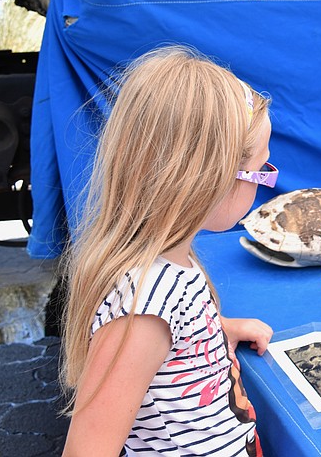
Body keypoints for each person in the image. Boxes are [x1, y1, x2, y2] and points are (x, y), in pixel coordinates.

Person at [60, 45, 276, 456]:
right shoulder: (143, 308)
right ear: (207, 177)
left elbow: (169, 346)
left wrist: (218, 331)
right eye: (261, 169)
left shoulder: (175, 261)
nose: (264, 181)